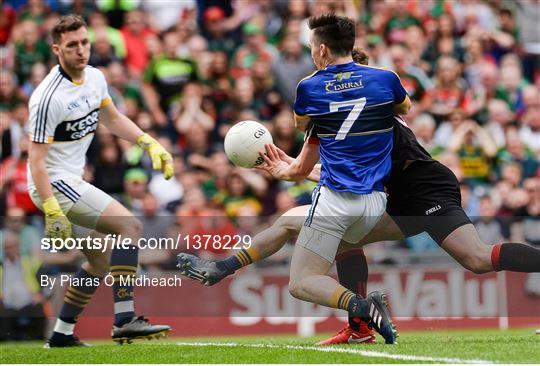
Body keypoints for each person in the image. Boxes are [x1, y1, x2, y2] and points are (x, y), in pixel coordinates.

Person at [177, 46, 540, 345]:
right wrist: (294, 166)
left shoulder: (363, 115)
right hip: (392, 195)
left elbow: (351, 170)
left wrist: (294, 170)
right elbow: (345, 173)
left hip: (421, 187)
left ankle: (232, 269)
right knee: (332, 233)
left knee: (477, 259)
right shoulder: (345, 117)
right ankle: (359, 326)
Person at [180, 14, 412, 345]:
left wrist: (283, 170)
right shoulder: (386, 80)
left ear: (321, 50)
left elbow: (306, 153)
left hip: (337, 201)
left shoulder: (311, 88)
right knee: (290, 221)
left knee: (302, 282)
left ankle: (364, 308)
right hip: (375, 203)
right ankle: (222, 268)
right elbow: (405, 108)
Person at [26, 15, 173, 347]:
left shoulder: (94, 77)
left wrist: (149, 142)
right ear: (56, 49)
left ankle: (61, 335)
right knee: (130, 227)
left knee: (101, 261)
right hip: (52, 183)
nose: (81, 50)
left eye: (84, 42)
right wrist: (52, 209)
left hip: (70, 181)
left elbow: (113, 118)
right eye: (71, 45)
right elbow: (35, 161)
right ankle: (124, 320)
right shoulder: (48, 97)